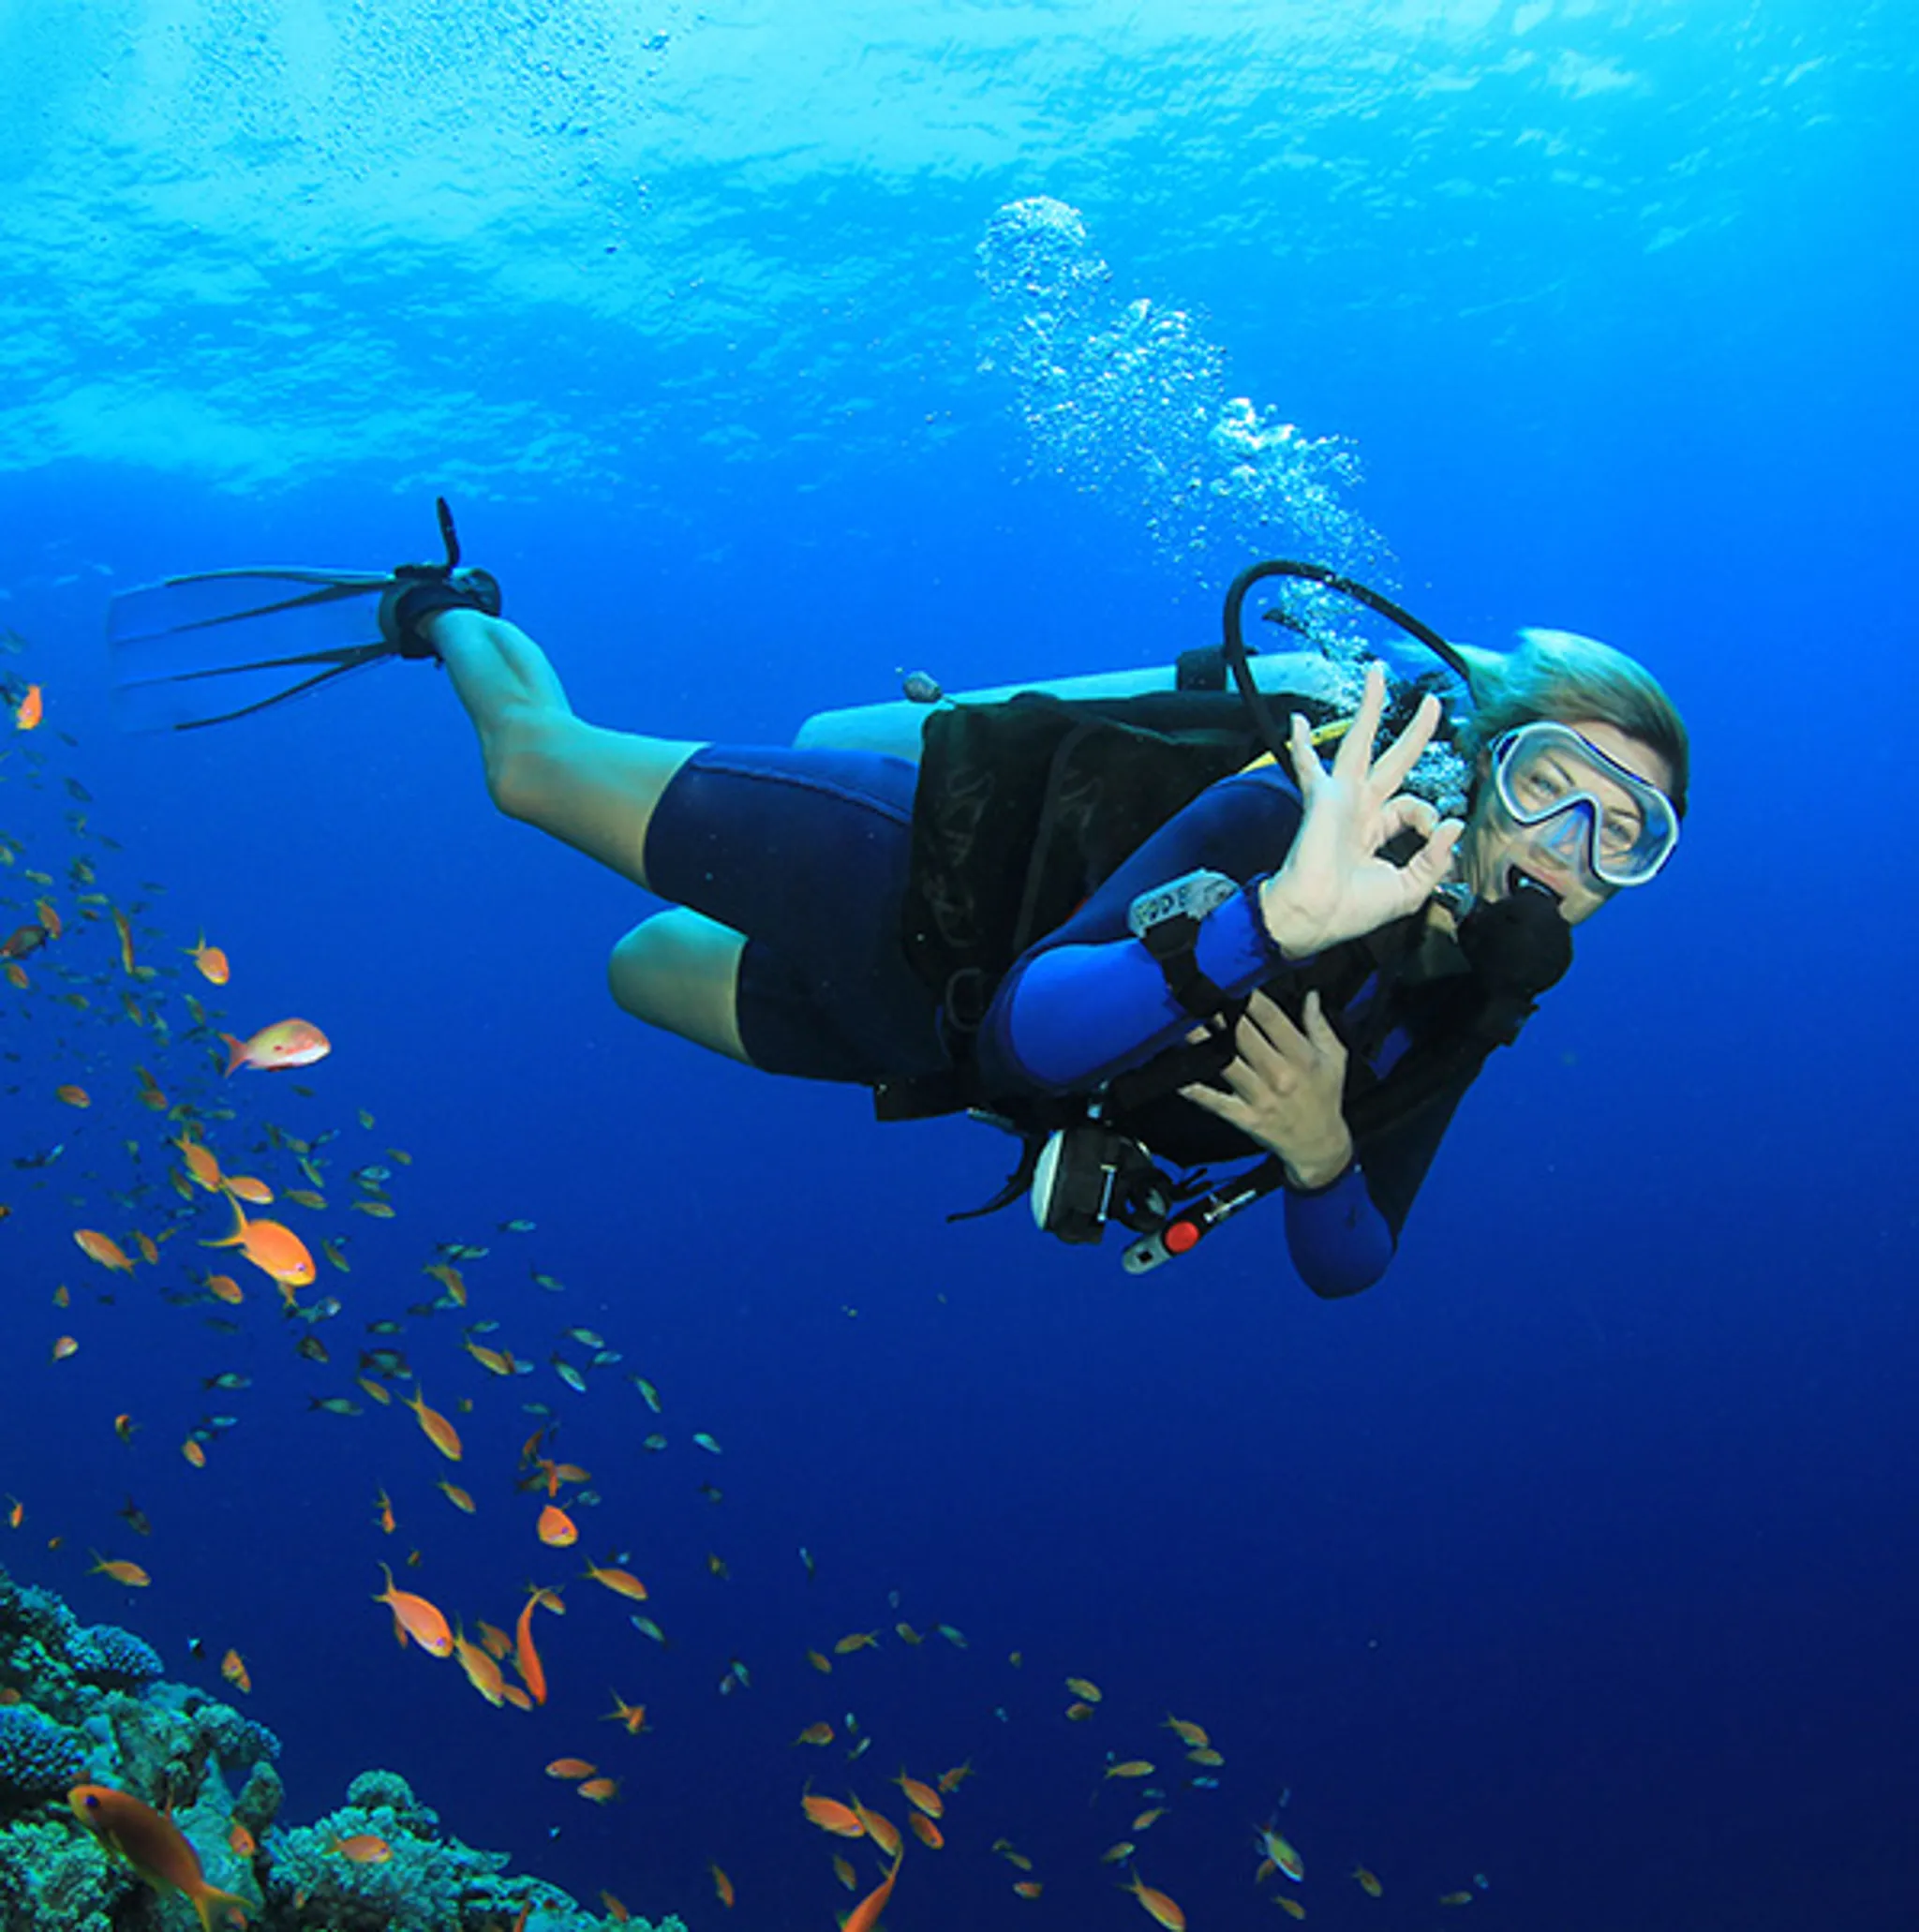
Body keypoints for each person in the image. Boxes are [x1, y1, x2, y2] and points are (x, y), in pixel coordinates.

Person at [107, 518, 1688, 1294]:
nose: (1572, 846)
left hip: (924, 1038)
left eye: (1631, 835)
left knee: (634, 971)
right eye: (1554, 780)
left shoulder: (1465, 999)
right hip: (927, 881)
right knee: (533, 773)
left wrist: (1330, 1145)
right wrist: (1267, 921)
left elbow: (1351, 1265)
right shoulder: (1294, 809)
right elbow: (1033, 1019)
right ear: (1480, 762)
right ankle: (442, 604)